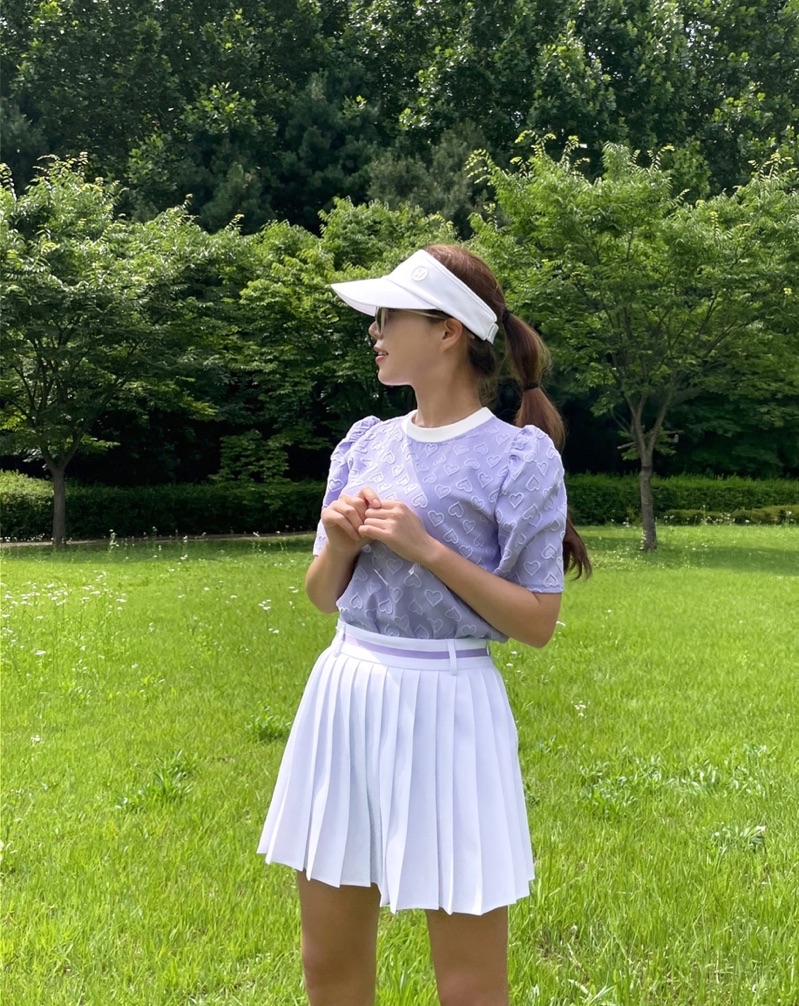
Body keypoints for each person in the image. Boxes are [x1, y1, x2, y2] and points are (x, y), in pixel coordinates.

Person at [258, 244, 590, 1006]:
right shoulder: (364, 443)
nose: (373, 331)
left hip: (449, 704)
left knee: (468, 984)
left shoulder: (516, 459)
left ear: (447, 331)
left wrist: (427, 549)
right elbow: (321, 595)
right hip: (344, 694)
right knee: (327, 964)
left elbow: (537, 620)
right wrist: (339, 544)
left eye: (388, 316)